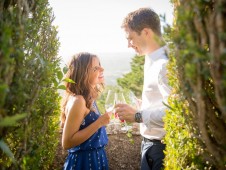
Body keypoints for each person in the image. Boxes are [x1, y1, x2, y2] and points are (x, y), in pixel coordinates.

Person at [115, 8, 171, 170]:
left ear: (146, 32)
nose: (128, 45)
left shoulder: (164, 65)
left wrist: (137, 115)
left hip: (161, 149)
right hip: (149, 146)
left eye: (130, 38)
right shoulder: (150, 58)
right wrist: (143, 106)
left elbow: (175, 113)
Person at [61, 52, 112, 170]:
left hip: (97, 159)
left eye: (100, 64)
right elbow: (67, 142)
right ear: (83, 73)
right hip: (83, 163)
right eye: (96, 68)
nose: (102, 68)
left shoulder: (88, 98)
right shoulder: (78, 100)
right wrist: (100, 122)